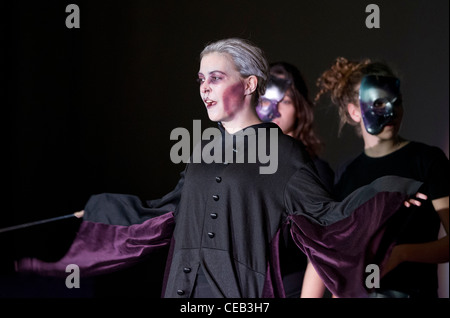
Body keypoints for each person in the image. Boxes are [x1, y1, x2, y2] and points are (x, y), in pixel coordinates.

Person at [14, 39, 425, 298]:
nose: (204, 88)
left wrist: (388, 192)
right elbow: (164, 213)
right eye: (200, 79)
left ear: (248, 84)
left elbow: (326, 219)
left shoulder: (284, 155)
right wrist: (102, 211)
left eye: (215, 77)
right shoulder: (202, 151)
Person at [307, 57, 449, 298]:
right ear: (354, 111)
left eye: (397, 101)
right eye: (379, 103)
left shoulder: (427, 160)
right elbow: (329, 247)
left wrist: (401, 254)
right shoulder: (346, 173)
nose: (392, 111)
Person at [256, 62, 334, 297]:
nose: (275, 110)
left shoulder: (314, 171)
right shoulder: (237, 166)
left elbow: (322, 246)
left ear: (300, 108)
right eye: (266, 100)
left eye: (286, 101)